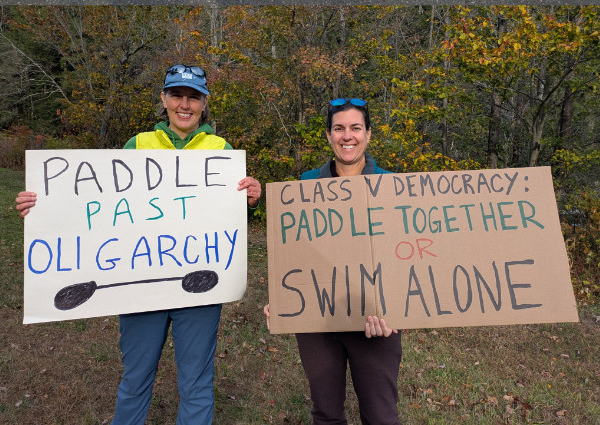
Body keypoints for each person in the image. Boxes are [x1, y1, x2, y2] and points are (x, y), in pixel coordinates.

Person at [16, 63, 262, 425]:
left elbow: (231, 214)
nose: (184, 104)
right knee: (135, 379)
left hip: (198, 287)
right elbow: (99, 202)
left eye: (193, 97)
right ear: (163, 99)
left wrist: (251, 199)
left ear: (204, 103)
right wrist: (43, 206)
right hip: (140, 287)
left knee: (196, 383)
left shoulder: (221, 150)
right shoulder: (138, 144)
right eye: (176, 95)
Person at [265, 98, 402, 425]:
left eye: (355, 128)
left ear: (368, 134)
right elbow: (295, 252)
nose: (347, 136)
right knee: (326, 413)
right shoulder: (306, 183)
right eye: (339, 128)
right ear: (328, 136)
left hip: (374, 320)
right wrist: (282, 301)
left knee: (382, 416)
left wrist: (394, 308)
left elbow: (402, 256)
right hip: (318, 319)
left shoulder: (392, 184)